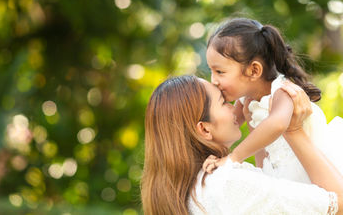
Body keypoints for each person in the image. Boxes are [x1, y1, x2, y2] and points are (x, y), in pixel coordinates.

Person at [141, 75, 343, 214]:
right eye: (223, 102)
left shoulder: (194, 190)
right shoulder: (227, 183)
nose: (232, 107)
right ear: (204, 129)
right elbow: (337, 203)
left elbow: (264, 196)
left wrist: (257, 128)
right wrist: (294, 131)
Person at [205, 18, 343, 183]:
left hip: (314, 167)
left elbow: (277, 124)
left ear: (254, 70)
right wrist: (212, 155)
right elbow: (224, 125)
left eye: (220, 71)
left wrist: (234, 158)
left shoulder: (282, 91)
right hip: (282, 170)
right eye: (212, 71)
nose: (214, 80)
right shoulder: (246, 98)